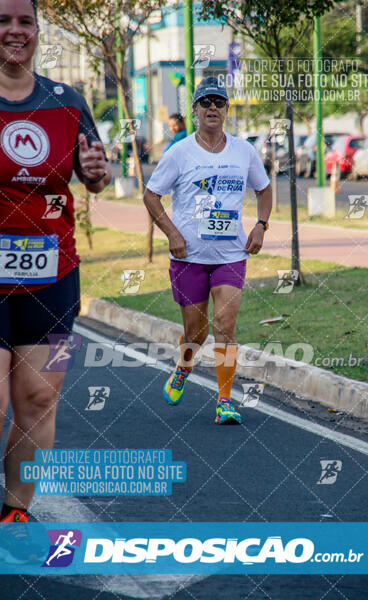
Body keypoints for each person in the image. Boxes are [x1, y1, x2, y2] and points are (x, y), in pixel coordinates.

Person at [0, 0, 111, 525]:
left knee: (39, 398)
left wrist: (95, 172)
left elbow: (94, 173)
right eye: (3, 21)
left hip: (54, 274)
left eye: (24, 21)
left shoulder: (67, 101)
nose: (14, 32)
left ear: (38, 30)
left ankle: (15, 511)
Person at [144, 76, 271, 425]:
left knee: (225, 325)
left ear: (227, 109)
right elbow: (150, 195)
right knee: (196, 332)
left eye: (219, 102)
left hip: (230, 255)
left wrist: (261, 225)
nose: (212, 107)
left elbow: (264, 189)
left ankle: (225, 400)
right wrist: (171, 233)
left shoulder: (244, 151)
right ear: (196, 110)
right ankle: (185, 364)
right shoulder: (180, 152)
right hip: (189, 257)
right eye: (205, 102)